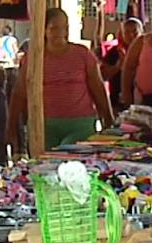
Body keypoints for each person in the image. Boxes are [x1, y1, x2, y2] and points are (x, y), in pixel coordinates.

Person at [7, 8, 115, 151]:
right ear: (44, 30)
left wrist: (108, 119)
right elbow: (20, 92)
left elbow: (98, 88)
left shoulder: (82, 54)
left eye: (64, 28)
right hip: (44, 125)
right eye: (54, 28)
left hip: (80, 124)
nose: (60, 32)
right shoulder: (33, 58)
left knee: (72, 163)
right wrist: (11, 126)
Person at [100, 18, 143, 113]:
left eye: (135, 32)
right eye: (127, 32)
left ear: (141, 33)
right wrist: (118, 66)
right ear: (122, 34)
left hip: (141, 102)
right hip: (117, 103)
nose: (131, 36)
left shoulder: (146, 52)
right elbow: (103, 76)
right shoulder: (114, 52)